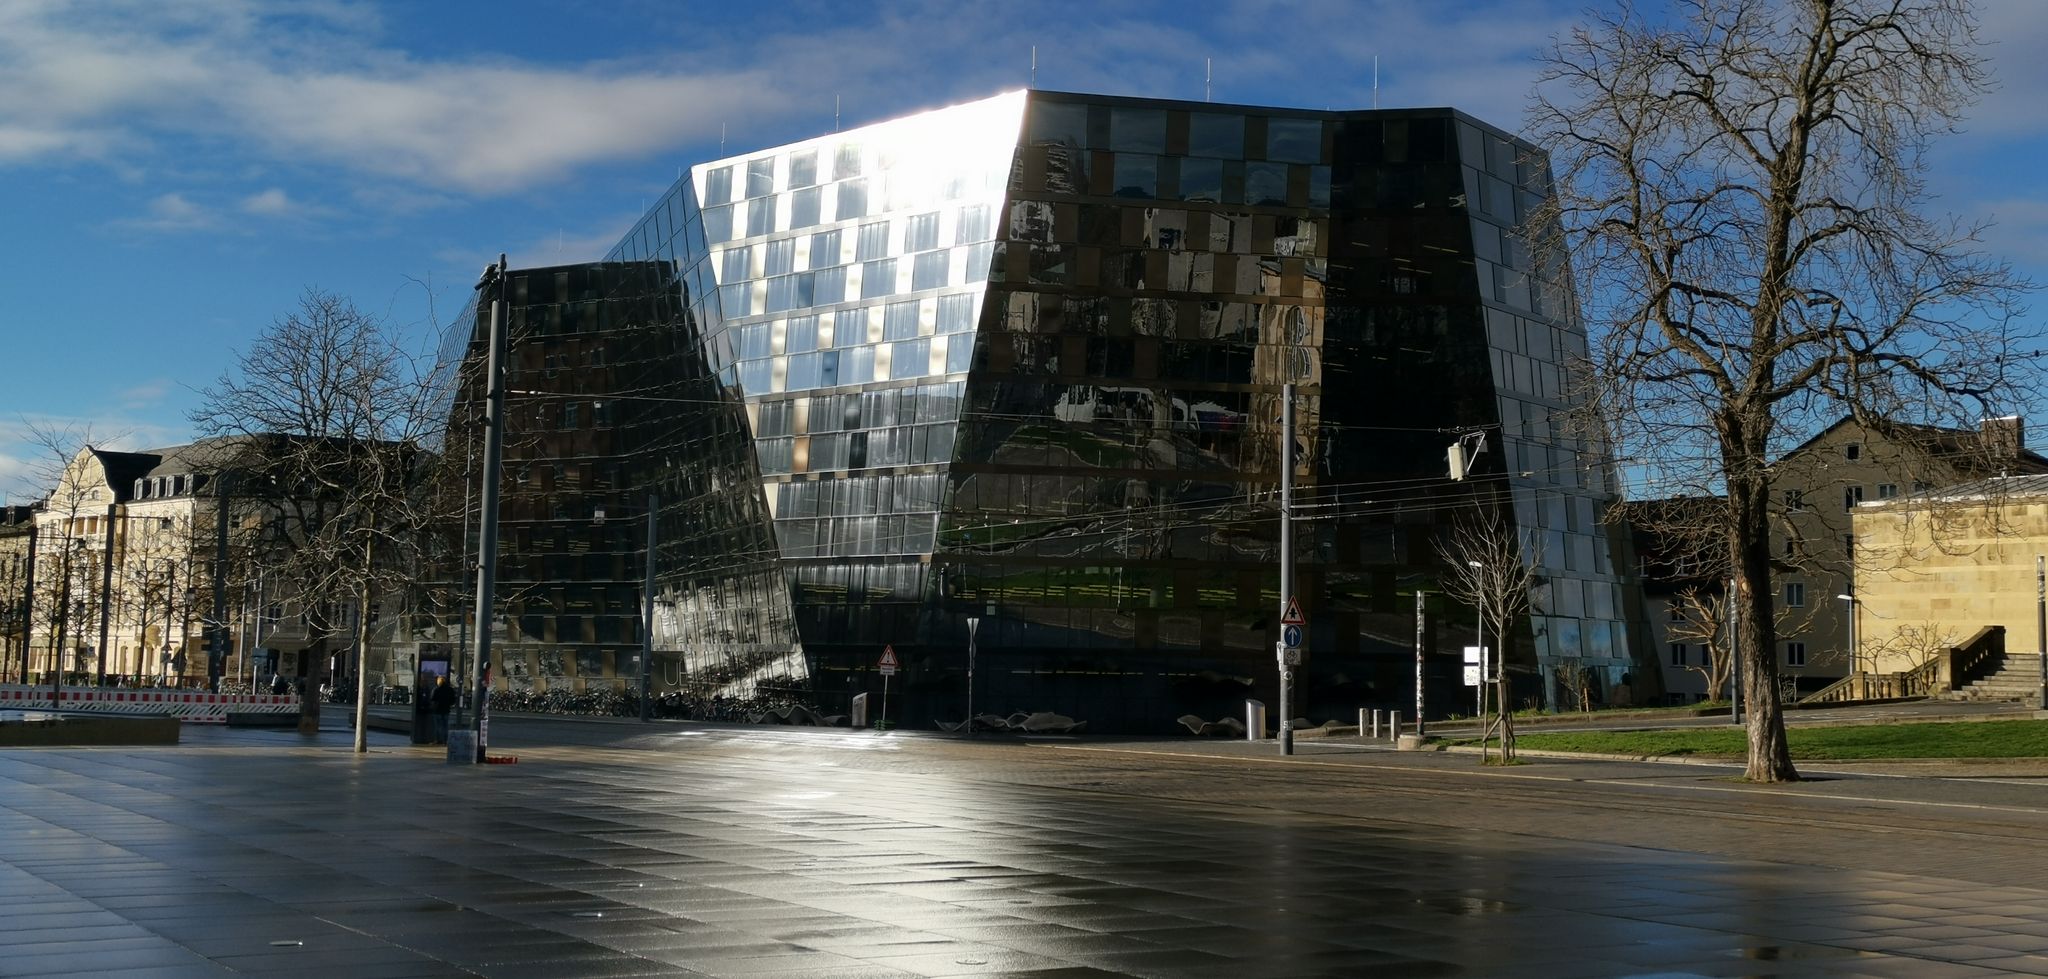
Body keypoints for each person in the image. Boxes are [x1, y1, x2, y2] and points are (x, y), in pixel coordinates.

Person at [430, 674, 456, 743]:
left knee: (438, 726)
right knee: (445, 726)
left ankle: (438, 739)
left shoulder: (436, 689)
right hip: (446, 710)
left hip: (437, 710)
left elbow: (432, 699)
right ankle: (445, 740)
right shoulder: (450, 689)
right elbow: (453, 700)